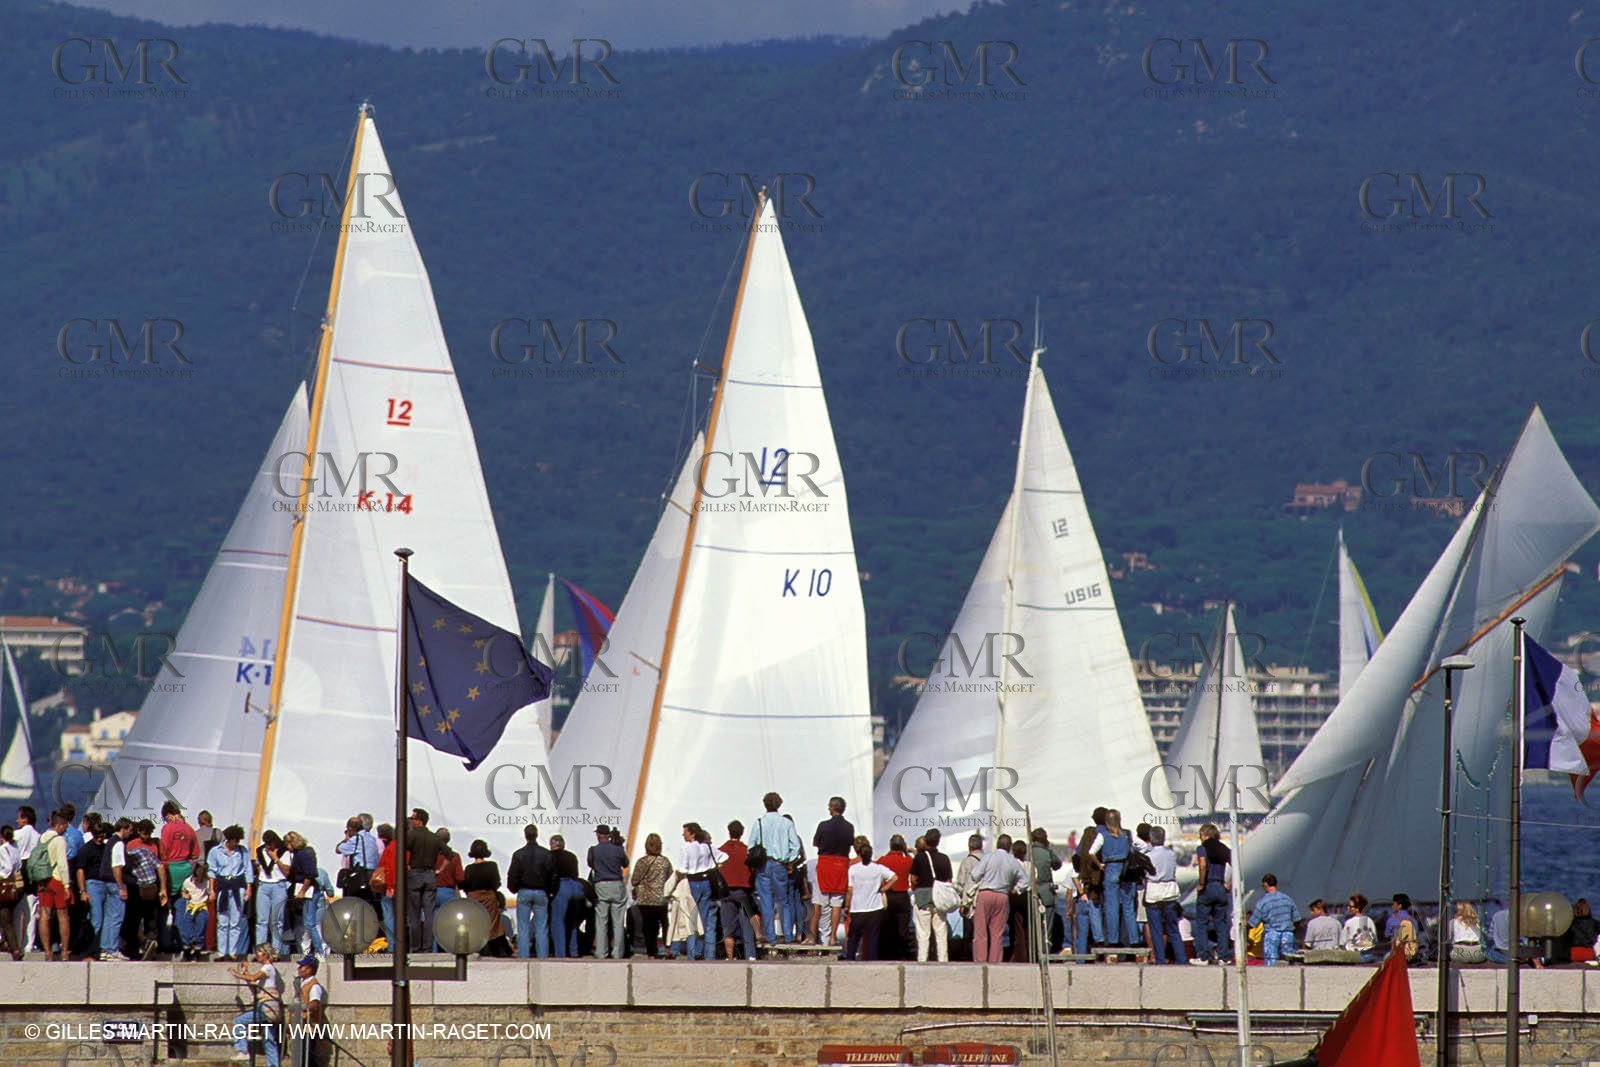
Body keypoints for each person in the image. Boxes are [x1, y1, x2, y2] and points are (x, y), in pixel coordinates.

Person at [749, 792, 802, 945]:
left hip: (763, 865)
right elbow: (795, 846)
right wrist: (789, 860)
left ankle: (770, 936)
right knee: (783, 901)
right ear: (779, 804)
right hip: (780, 865)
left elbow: (752, 845)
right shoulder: (786, 823)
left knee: (766, 901)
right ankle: (788, 934)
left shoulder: (759, 822)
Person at [672, 823, 724, 960]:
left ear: (692, 834)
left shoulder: (686, 848)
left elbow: (683, 868)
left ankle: (692, 953)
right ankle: (704, 952)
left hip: (693, 882)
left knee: (691, 920)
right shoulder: (707, 847)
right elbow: (724, 856)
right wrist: (715, 866)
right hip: (706, 882)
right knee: (704, 919)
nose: (683, 835)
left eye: (685, 832)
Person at [970, 838, 1024, 963]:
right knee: (997, 933)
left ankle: (980, 960)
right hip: (1002, 896)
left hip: (985, 893)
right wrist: (1015, 890)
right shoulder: (1012, 861)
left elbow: (975, 875)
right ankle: (995, 962)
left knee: (980, 932)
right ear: (1009, 847)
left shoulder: (988, 857)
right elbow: (1025, 881)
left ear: (996, 845)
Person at [229, 945, 284, 1067]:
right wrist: (245, 972)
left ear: (265, 954)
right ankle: (273, 1065)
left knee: (239, 1021)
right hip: (268, 1007)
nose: (256, 955)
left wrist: (237, 974)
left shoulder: (268, 968)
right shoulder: (266, 970)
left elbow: (254, 978)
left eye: (259, 952)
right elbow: (254, 983)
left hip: (266, 1007)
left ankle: (243, 1050)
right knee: (269, 1040)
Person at [843, 840, 896, 962]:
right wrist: (883, 889)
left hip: (857, 908)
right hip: (874, 908)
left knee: (853, 937)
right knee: (873, 938)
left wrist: (846, 905)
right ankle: (872, 961)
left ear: (860, 855)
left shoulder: (853, 869)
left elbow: (849, 890)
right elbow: (894, 877)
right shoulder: (878, 868)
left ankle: (850, 959)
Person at [811, 797, 854, 947]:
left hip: (825, 863)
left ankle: (812, 936)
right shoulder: (849, 827)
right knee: (836, 904)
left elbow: (815, 843)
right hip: (841, 865)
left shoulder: (823, 825)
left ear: (832, 808)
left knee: (818, 903)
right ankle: (833, 937)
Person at [508, 824, 554, 959]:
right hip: (541, 892)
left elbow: (513, 875)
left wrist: (513, 888)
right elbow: (552, 874)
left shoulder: (518, 854)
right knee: (541, 927)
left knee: (523, 927)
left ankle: (523, 955)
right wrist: (550, 891)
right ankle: (542, 956)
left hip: (524, 891)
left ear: (525, 835)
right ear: (537, 835)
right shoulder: (546, 854)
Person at [1189, 823, 1232, 965]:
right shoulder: (1224, 849)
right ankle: (1223, 956)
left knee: (1202, 923)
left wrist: (1201, 883)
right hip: (1220, 886)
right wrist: (1229, 884)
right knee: (1221, 924)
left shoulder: (1202, 848)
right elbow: (1236, 867)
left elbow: (1202, 864)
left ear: (1205, 835)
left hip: (1208, 886)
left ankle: (1203, 956)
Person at [208, 825, 253, 961]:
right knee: (222, 921)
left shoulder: (242, 851)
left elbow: (248, 870)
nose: (236, 843)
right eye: (235, 841)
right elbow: (212, 872)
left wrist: (249, 889)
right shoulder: (215, 851)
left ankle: (233, 952)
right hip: (223, 887)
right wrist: (211, 890)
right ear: (229, 839)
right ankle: (222, 952)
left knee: (236, 920)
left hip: (237, 886)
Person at [34, 810, 73, 962]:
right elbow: (62, 864)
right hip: (57, 880)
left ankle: (47, 951)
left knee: (44, 915)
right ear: (59, 825)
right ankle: (64, 951)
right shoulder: (60, 840)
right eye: (64, 826)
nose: (65, 829)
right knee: (63, 916)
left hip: (43, 880)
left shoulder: (42, 838)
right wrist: (67, 885)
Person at [910, 827, 953, 962]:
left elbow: (913, 878)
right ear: (938, 842)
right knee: (940, 931)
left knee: (923, 933)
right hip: (939, 898)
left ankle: (922, 960)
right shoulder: (944, 858)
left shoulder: (919, 858)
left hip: (923, 896)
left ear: (926, 841)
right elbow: (949, 880)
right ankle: (943, 960)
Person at [404, 808, 443, 955]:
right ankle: (427, 947)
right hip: (429, 875)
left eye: (413, 819)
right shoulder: (434, 837)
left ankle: (416, 947)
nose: (411, 821)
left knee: (414, 915)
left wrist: (407, 866)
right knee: (429, 915)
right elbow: (449, 854)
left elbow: (401, 849)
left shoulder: (412, 835)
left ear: (418, 821)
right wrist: (439, 870)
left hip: (415, 875)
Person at [1095, 810, 1137, 949]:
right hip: (1126, 869)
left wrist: (1099, 864)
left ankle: (1113, 940)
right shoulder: (1127, 834)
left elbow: (1091, 852)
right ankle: (1134, 940)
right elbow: (1140, 846)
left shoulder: (1103, 835)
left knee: (1111, 907)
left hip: (1111, 868)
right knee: (1128, 906)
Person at [587, 824, 630, 959]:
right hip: (617, 884)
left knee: (601, 921)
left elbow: (591, 864)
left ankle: (601, 952)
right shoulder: (618, 850)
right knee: (618, 921)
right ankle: (617, 952)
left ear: (598, 835)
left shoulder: (593, 850)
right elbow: (625, 863)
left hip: (601, 885)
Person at [1143, 826, 1184, 965]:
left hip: (1154, 891)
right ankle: (1181, 959)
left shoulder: (1148, 855)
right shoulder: (1171, 854)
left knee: (1156, 930)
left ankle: (1160, 959)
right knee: (1173, 929)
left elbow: (1147, 874)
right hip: (1169, 892)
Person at [280, 832, 325, 958]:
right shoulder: (297, 854)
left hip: (308, 890)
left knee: (309, 923)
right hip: (302, 888)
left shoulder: (303, 855)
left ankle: (319, 951)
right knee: (306, 923)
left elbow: (309, 875)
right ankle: (314, 950)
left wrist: (302, 891)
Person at [462, 840, 510, 956]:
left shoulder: (469, 868)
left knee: (476, 924)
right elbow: (497, 883)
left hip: (474, 899)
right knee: (493, 926)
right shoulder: (492, 866)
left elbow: (465, 885)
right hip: (489, 897)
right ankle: (498, 951)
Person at [629, 833, 672, 959]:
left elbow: (634, 880)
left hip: (645, 900)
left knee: (649, 927)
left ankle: (651, 953)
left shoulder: (642, 862)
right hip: (661, 899)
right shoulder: (665, 862)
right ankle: (667, 948)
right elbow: (670, 878)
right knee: (664, 925)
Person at [719, 821, 758, 960]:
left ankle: (730, 956)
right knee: (747, 926)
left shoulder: (721, 851)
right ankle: (750, 955)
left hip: (726, 892)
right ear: (742, 833)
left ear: (729, 831)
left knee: (728, 927)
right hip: (743, 892)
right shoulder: (746, 851)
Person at [1248, 874, 1300, 966]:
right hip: (1288, 935)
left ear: (1265, 884)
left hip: (1272, 935)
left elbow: (1252, 923)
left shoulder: (1263, 902)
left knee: (1271, 964)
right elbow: (1297, 919)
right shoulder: (1287, 899)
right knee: (1290, 962)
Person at [877, 834, 913, 960]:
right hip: (903, 896)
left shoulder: (883, 860)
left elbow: (877, 866)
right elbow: (914, 866)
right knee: (903, 929)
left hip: (888, 896)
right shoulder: (908, 861)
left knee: (887, 928)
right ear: (903, 846)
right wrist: (906, 852)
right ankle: (902, 954)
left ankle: (887, 955)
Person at [548, 834, 584, 958]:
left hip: (561, 887)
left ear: (552, 845)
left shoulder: (550, 856)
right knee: (572, 921)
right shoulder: (572, 856)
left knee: (557, 921)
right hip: (575, 887)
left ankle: (560, 953)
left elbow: (551, 875)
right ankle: (574, 951)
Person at [255, 830, 290, 955]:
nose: (268, 846)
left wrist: (275, 858)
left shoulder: (284, 851)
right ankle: (260, 951)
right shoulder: (260, 851)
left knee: (276, 921)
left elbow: (287, 871)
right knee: (261, 921)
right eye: (266, 844)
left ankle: (275, 951)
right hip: (264, 886)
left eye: (270, 843)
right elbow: (258, 865)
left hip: (279, 885)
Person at [294, 953, 330, 1067]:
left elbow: (314, 1004)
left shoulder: (314, 986)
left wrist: (303, 1007)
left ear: (310, 969)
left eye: (303, 966)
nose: (300, 969)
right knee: (302, 1057)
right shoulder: (302, 984)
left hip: (309, 1027)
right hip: (301, 1026)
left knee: (307, 1057)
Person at [14, 807, 40, 957]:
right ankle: (29, 944)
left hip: (19, 870)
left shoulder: (17, 834)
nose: (17, 821)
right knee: (32, 909)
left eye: (19, 818)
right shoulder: (38, 836)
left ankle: (17, 941)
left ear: (25, 819)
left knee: (18, 910)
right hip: (33, 871)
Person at [175, 860, 210, 961]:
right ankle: (187, 947)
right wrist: (185, 895)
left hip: (201, 906)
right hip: (191, 906)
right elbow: (183, 892)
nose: (197, 881)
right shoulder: (187, 882)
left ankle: (198, 948)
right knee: (187, 926)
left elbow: (209, 892)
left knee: (201, 925)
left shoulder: (206, 882)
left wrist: (210, 894)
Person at [0, 824, 22, 960]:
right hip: (16, 887)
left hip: (5, 886)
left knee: (5, 918)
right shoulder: (15, 849)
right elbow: (18, 865)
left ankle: (14, 948)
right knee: (8, 917)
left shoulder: (3, 849)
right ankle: (8, 944)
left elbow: (7, 867)